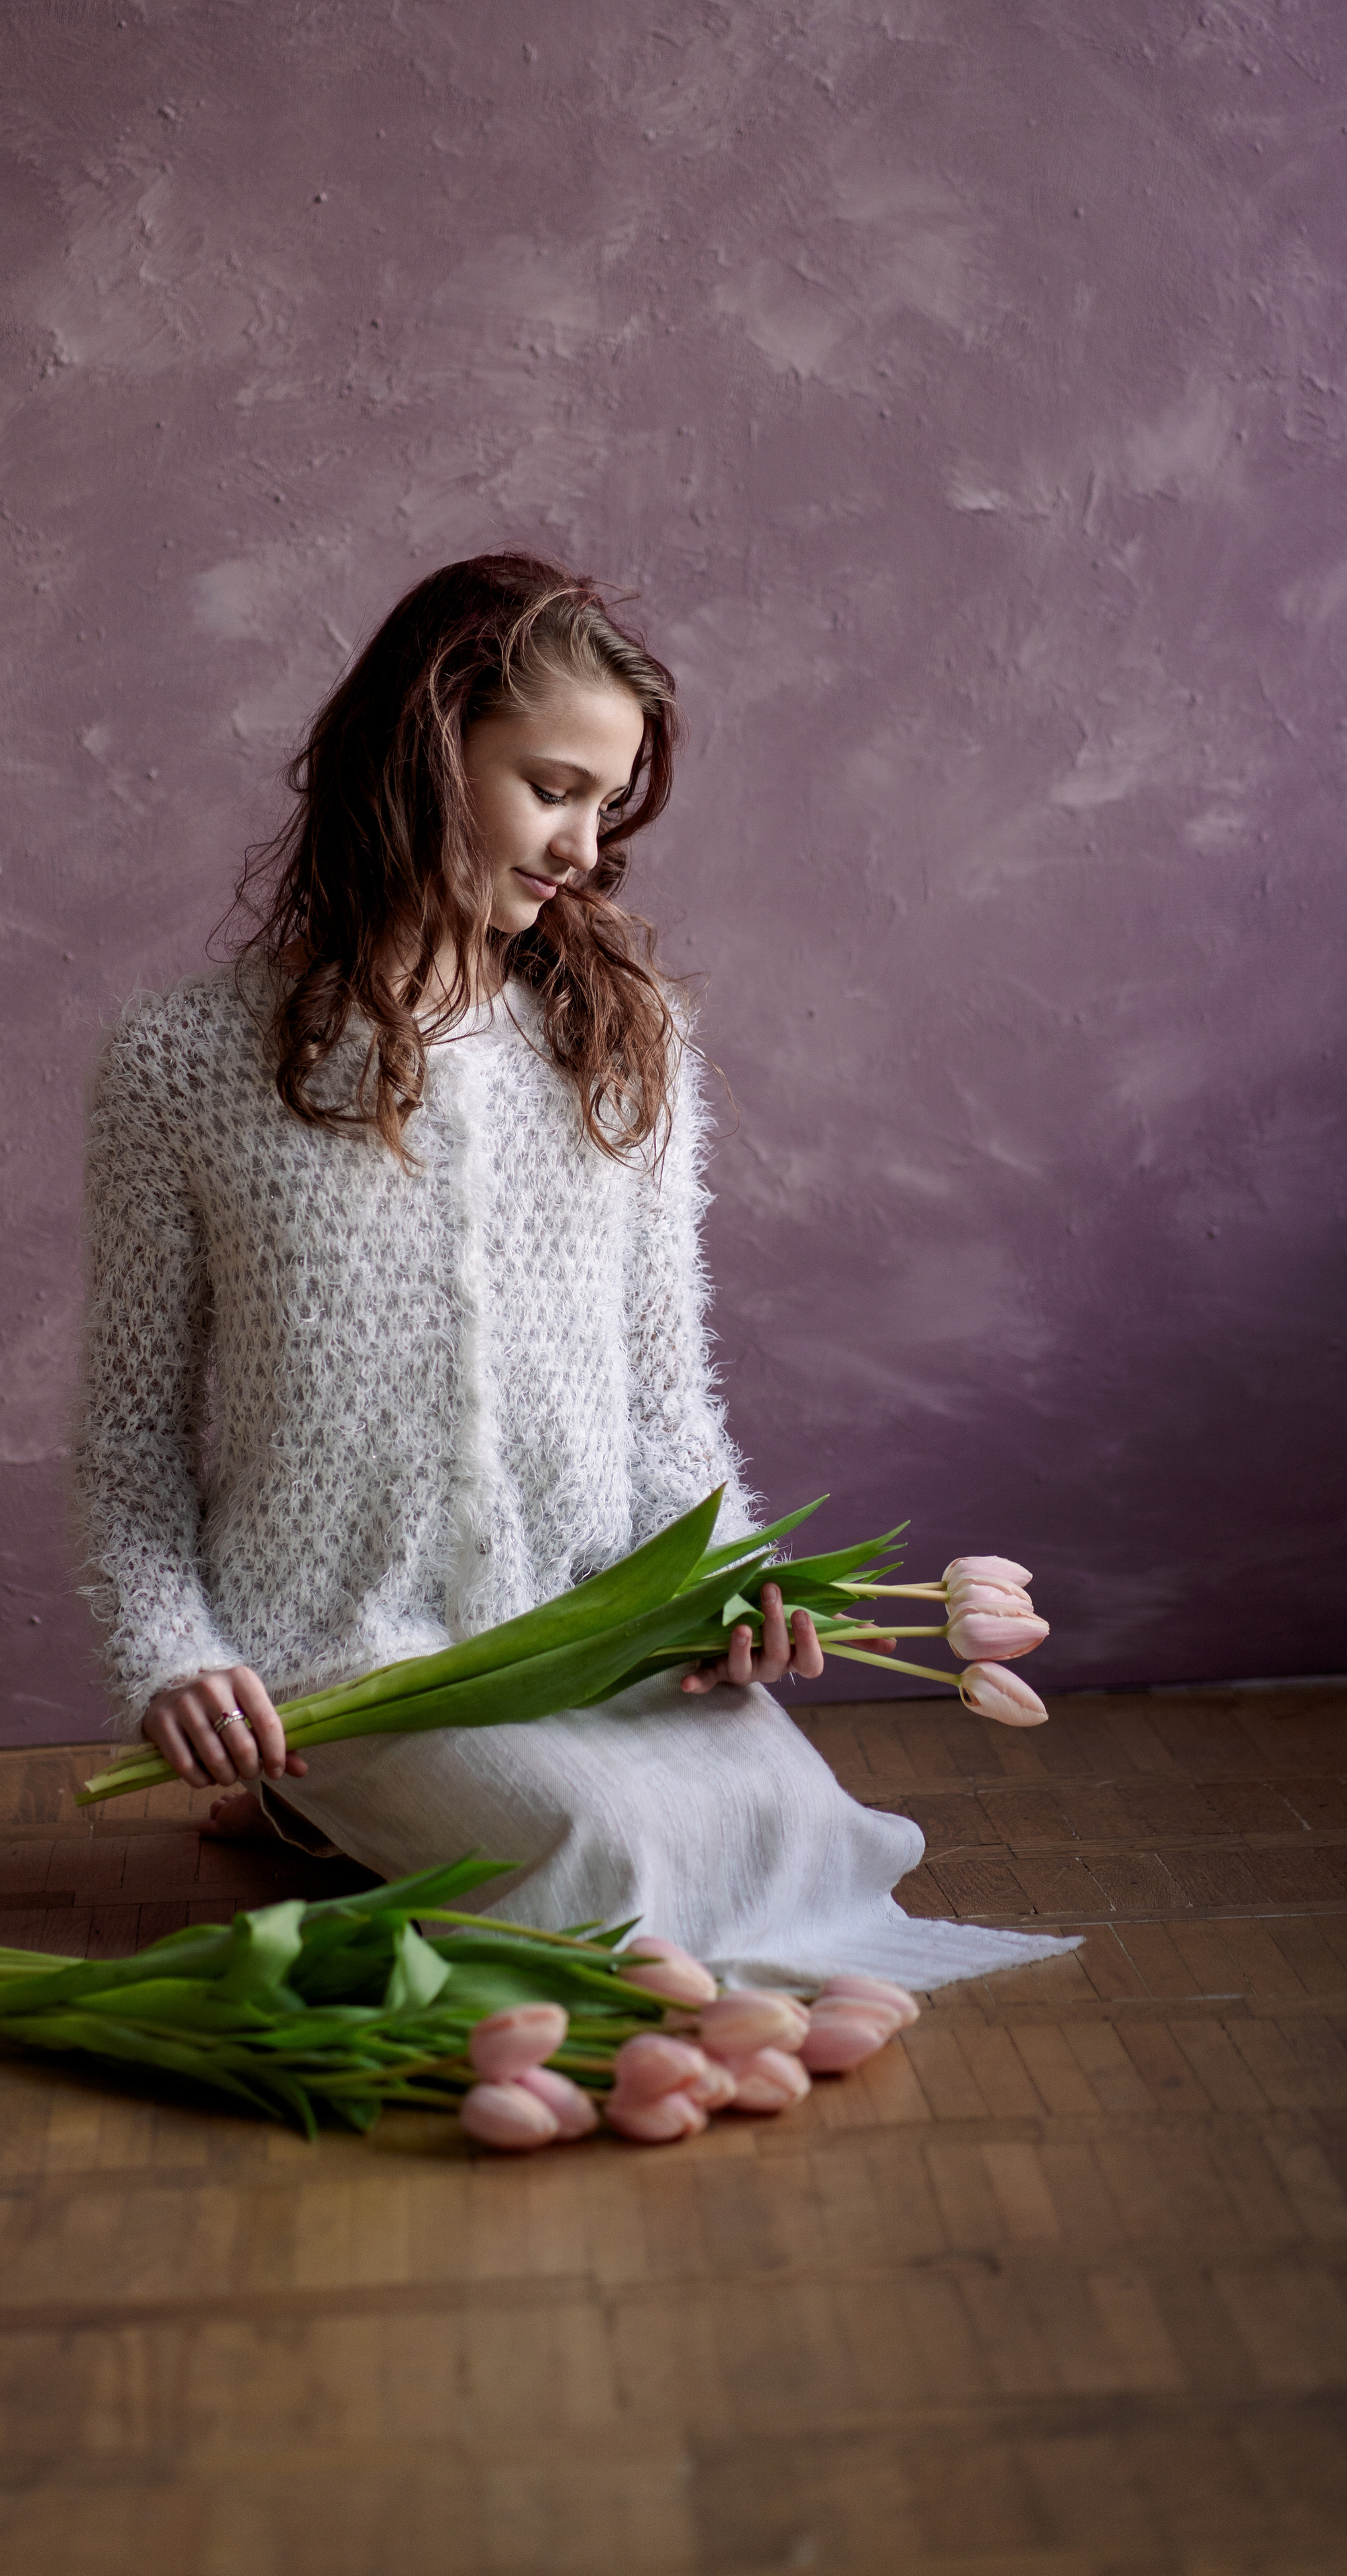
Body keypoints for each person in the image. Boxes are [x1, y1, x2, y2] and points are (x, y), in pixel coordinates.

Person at [73, 555, 1076, 1989]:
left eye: (607, 806)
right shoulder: (180, 1061)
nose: (583, 847)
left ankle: (345, 1837)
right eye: (551, 789)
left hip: (589, 1633)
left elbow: (666, 1394)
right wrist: (171, 1658)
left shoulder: (625, 1043)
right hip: (339, 1660)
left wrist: (722, 1582)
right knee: (607, 1863)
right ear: (420, 759)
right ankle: (308, 1795)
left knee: (793, 1836)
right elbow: (127, 1435)